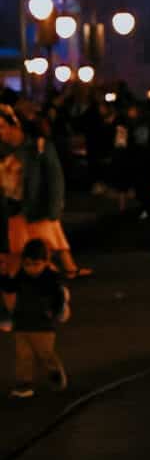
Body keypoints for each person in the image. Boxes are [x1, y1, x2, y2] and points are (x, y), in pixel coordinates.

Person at [0, 104, 90, 280]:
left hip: (35, 205)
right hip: (14, 206)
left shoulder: (38, 147)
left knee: (47, 239)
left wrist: (54, 207)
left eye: (2, 127)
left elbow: (55, 179)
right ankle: (22, 277)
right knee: (17, 247)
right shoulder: (5, 150)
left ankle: (59, 271)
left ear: (15, 125)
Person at [1, 237, 71, 398]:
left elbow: (59, 297)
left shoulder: (51, 278)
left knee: (44, 353)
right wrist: (4, 276)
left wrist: (54, 312)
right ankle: (24, 383)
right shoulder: (22, 275)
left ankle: (54, 373)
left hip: (42, 325)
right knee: (23, 355)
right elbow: (10, 287)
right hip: (22, 322)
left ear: (45, 262)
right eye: (27, 264)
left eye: (36, 264)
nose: (31, 269)